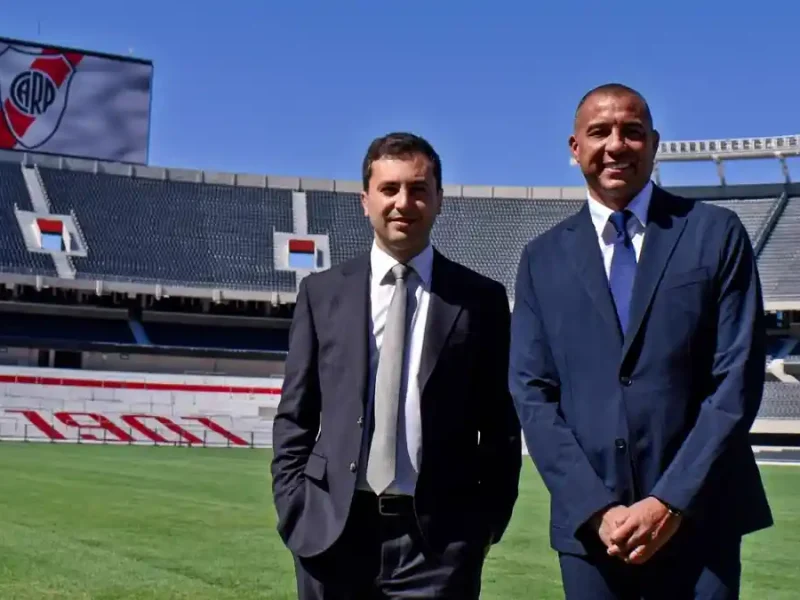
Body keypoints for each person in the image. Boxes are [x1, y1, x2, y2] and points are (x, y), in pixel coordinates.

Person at [508, 83, 772, 599]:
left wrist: (669, 502)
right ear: (575, 148)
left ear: (653, 143)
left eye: (631, 131)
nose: (616, 145)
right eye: (599, 132)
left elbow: (736, 379)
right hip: (593, 534)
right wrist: (595, 507)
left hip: (703, 520)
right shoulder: (541, 259)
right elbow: (531, 393)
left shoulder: (715, 233)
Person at [271, 131, 522, 599]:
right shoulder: (321, 293)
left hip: (439, 545)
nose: (403, 202)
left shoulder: (481, 300)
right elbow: (295, 416)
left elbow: (500, 426)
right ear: (365, 200)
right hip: (332, 534)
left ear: (439, 200)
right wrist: (294, 505)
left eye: (418, 189)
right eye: (389, 189)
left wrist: (484, 526)